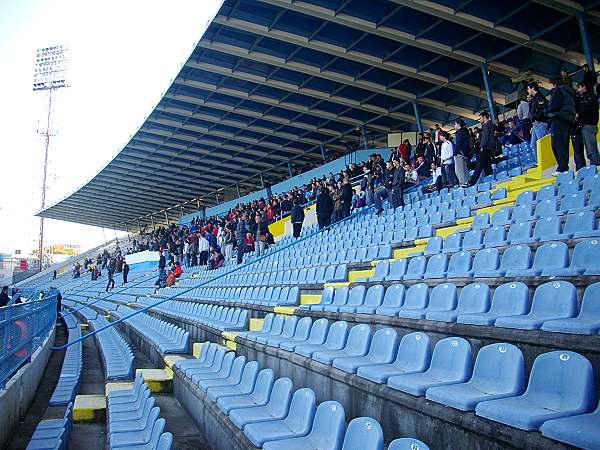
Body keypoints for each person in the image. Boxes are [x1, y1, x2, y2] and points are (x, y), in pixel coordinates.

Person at [545, 76, 576, 174]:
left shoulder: (558, 92)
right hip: (566, 119)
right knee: (561, 144)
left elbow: (553, 106)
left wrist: (546, 111)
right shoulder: (568, 92)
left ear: (553, 84)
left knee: (558, 145)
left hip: (559, 119)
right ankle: (562, 167)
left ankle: (562, 168)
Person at [573, 80, 600, 169]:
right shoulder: (581, 98)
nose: (578, 90)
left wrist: (579, 114)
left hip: (589, 125)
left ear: (584, 87)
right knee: (589, 148)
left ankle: (596, 166)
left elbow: (589, 109)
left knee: (591, 148)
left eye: (579, 87)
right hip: (585, 125)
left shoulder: (590, 97)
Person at [464, 111, 495, 187]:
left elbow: (485, 137)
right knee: (487, 166)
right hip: (489, 148)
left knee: (479, 166)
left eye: (480, 118)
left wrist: (482, 147)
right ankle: (490, 180)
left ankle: (471, 182)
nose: (480, 120)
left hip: (485, 148)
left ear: (484, 117)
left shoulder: (487, 125)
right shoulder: (489, 125)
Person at [527, 82, 548, 152]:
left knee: (543, 145)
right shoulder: (534, 98)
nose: (528, 91)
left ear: (533, 88)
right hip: (535, 125)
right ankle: (539, 162)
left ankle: (547, 162)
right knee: (533, 146)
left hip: (540, 123)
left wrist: (537, 118)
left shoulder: (539, 97)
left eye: (528, 89)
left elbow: (543, 109)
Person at [453, 119, 471, 186]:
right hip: (464, 153)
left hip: (459, 153)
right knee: (464, 169)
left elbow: (458, 144)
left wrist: (455, 153)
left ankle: (463, 183)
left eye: (455, 124)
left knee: (459, 171)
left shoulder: (459, 133)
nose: (454, 126)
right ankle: (468, 182)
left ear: (458, 124)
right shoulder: (465, 132)